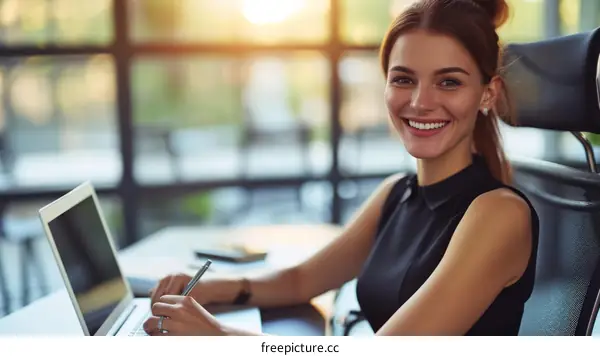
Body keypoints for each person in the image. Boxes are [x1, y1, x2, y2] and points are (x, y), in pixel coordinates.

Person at [143, 0, 539, 336]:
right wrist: (207, 289)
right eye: (403, 79)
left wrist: (217, 336)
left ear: (488, 94)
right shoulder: (397, 192)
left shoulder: (499, 213)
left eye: (448, 82)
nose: (420, 102)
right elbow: (301, 281)